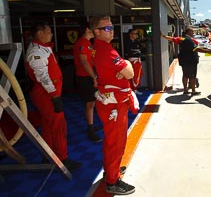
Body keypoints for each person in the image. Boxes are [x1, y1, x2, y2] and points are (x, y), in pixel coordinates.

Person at [90, 16, 137, 195]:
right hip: (114, 106)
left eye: (112, 27)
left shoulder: (101, 48)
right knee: (116, 142)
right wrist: (125, 66)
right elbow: (129, 73)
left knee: (112, 141)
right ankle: (112, 181)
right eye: (107, 28)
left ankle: (112, 170)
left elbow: (123, 72)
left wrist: (122, 69)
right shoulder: (106, 51)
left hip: (111, 103)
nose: (112, 30)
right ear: (97, 32)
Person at [26, 22, 81, 171]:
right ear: (40, 33)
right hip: (46, 94)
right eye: (49, 32)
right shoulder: (36, 52)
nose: (51, 34)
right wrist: (54, 96)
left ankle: (48, 153)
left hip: (49, 93)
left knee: (48, 125)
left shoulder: (44, 48)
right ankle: (62, 158)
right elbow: (43, 76)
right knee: (58, 125)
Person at [73, 23, 102, 142]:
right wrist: (94, 77)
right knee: (90, 104)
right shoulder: (82, 43)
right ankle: (90, 130)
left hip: (89, 76)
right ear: (86, 29)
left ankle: (91, 125)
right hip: (84, 77)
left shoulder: (88, 43)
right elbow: (84, 62)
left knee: (92, 103)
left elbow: (91, 61)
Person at [178, 27, 211, 96]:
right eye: (192, 31)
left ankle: (185, 90)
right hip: (190, 61)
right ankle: (193, 91)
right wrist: (208, 51)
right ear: (188, 32)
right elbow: (196, 49)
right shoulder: (188, 39)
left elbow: (197, 45)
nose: (193, 33)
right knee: (192, 76)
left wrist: (206, 46)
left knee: (185, 75)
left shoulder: (182, 38)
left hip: (184, 60)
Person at [125, 28, 143, 93]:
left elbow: (141, 50)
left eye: (136, 34)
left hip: (138, 60)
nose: (135, 35)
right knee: (134, 75)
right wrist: (137, 51)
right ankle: (133, 89)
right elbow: (129, 52)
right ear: (130, 34)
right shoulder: (127, 42)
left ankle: (135, 88)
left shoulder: (137, 42)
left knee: (139, 74)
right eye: (133, 33)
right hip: (132, 60)